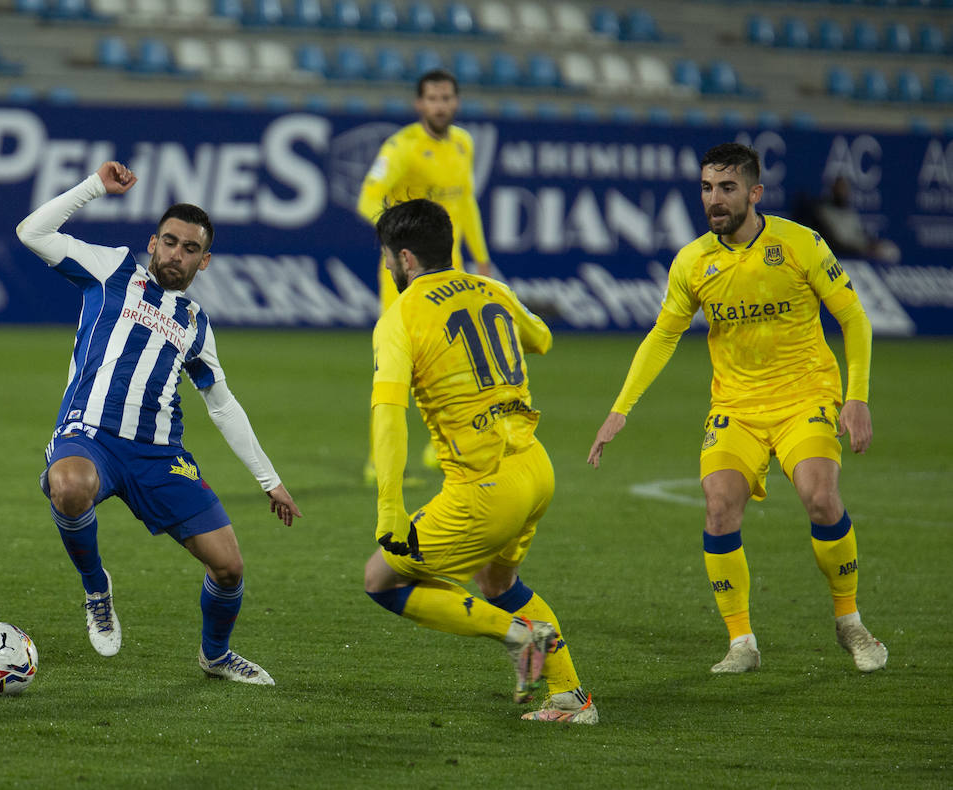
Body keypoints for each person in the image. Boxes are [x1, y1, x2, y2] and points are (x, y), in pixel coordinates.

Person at [588, 143, 886, 675]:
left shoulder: (800, 243)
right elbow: (662, 336)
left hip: (804, 397)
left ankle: (850, 621)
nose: (714, 199)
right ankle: (741, 642)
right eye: (706, 188)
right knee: (719, 506)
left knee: (821, 499)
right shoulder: (693, 261)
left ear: (754, 193)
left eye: (726, 188)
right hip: (736, 407)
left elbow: (854, 318)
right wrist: (620, 409)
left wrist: (857, 396)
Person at [16, 161, 301, 686]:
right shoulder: (111, 269)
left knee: (230, 567)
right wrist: (95, 188)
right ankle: (95, 587)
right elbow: (30, 231)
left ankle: (215, 656)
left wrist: (271, 481)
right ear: (153, 241)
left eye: (190, 248)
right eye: (170, 242)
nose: (177, 254)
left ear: (205, 261)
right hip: (91, 436)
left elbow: (222, 405)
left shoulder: (196, 324)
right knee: (69, 486)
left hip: (158, 455)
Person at [362, 198, 598, 724]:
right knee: (498, 584)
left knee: (382, 578)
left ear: (404, 258)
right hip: (535, 471)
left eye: (385, 258)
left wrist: (389, 507)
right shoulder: (494, 290)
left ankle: (516, 635)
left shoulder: (399, 317)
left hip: (483, 488)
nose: (385, 268)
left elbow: (388, 418)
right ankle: (569, 699)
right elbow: (542, 338)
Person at [357, 69, 494, 480]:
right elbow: (367, 198)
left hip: (451, 271)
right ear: (420, 105)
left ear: (456, 102)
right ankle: (379, 460)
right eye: (432, 98)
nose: (440, 105)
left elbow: (466, 201)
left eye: (447, 97)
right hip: (405, 275)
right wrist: (400, 238)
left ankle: (442, 446)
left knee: (453, 357)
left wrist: (481, 257)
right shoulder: (401, 148)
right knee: (396, 363)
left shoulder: (464, 144)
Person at [808, 176, 901, 264]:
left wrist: (871, 246)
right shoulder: (824, 211)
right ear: (833, 190)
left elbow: (861, 235)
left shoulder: (850, 212)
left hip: (862, 248)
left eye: (844, 189)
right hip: (845, 252)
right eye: (839, 188)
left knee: (891, 250)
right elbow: (835, 241)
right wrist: (862, 250)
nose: (842, 192)